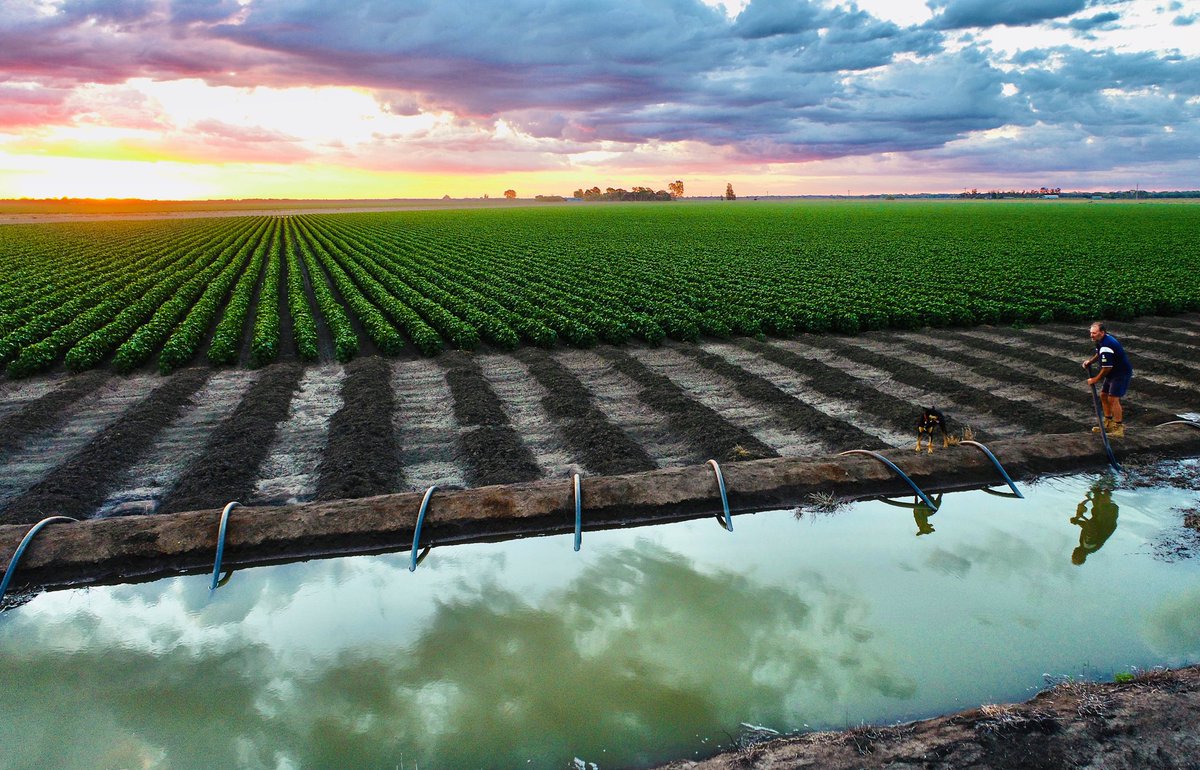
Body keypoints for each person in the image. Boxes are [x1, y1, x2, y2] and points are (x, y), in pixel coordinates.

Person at [1082, 321, 1133, 439]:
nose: (1091, 335)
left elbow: (1107, 368)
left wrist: (1095, 379)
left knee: (1113, 399)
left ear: (1102, 332)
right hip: (1113, 373)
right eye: (1091, 333)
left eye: (1094, 333)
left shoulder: (1107, 345)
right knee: (1104, 395)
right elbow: (1099, 353)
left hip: (1120, 373)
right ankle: (1108, 422)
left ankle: (1118, 428)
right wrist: (1090, 361)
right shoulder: (1101, 341)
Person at [1070, 481, 1119, 565]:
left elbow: (1088, 528)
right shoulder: (1088, 544)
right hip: (1105, 516)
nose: (1073, 552)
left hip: (1105, 517)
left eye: (1073, 555)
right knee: (1100, 493)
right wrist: (1081, 517)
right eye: (1075, 555)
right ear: (1081, 556)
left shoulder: (1085, 545)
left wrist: (1078, 522)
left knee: (1097, 493)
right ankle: (1110, 480)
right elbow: (1092, 527)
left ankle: (1107, 482)